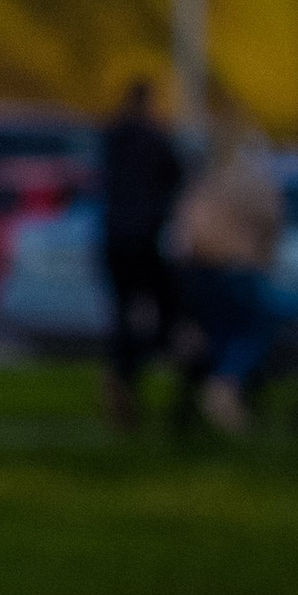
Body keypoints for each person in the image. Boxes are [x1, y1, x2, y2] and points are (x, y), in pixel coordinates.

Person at [169, 102, 286, 436]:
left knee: (221, 331)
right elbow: (271, 224)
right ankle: (225, 385)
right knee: (256, 329)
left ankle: (219, 389)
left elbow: (184, 230)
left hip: (201, 272)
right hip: (239, 269)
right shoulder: (253, 180)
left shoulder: (205, 180)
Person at [95, 75, 184, 428]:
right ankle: (125, 374)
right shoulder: (155, 140)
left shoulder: (112, 137)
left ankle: (120, 377)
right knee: (166, 315)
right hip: (145, 241)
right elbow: (177, 180)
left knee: (122, 316)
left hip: (113, 240)